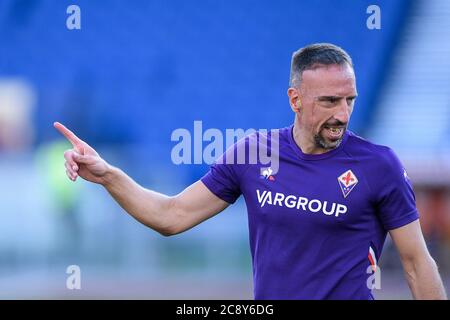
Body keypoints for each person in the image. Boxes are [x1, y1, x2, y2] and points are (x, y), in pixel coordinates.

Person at [54, 43, 447, 300]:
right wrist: (108, 175)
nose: (342, 114)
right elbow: (170, 216)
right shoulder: (253, 153)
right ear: (295, 98)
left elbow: (416, 263)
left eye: (349, 100)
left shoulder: (379, 165)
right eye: (329, 101)